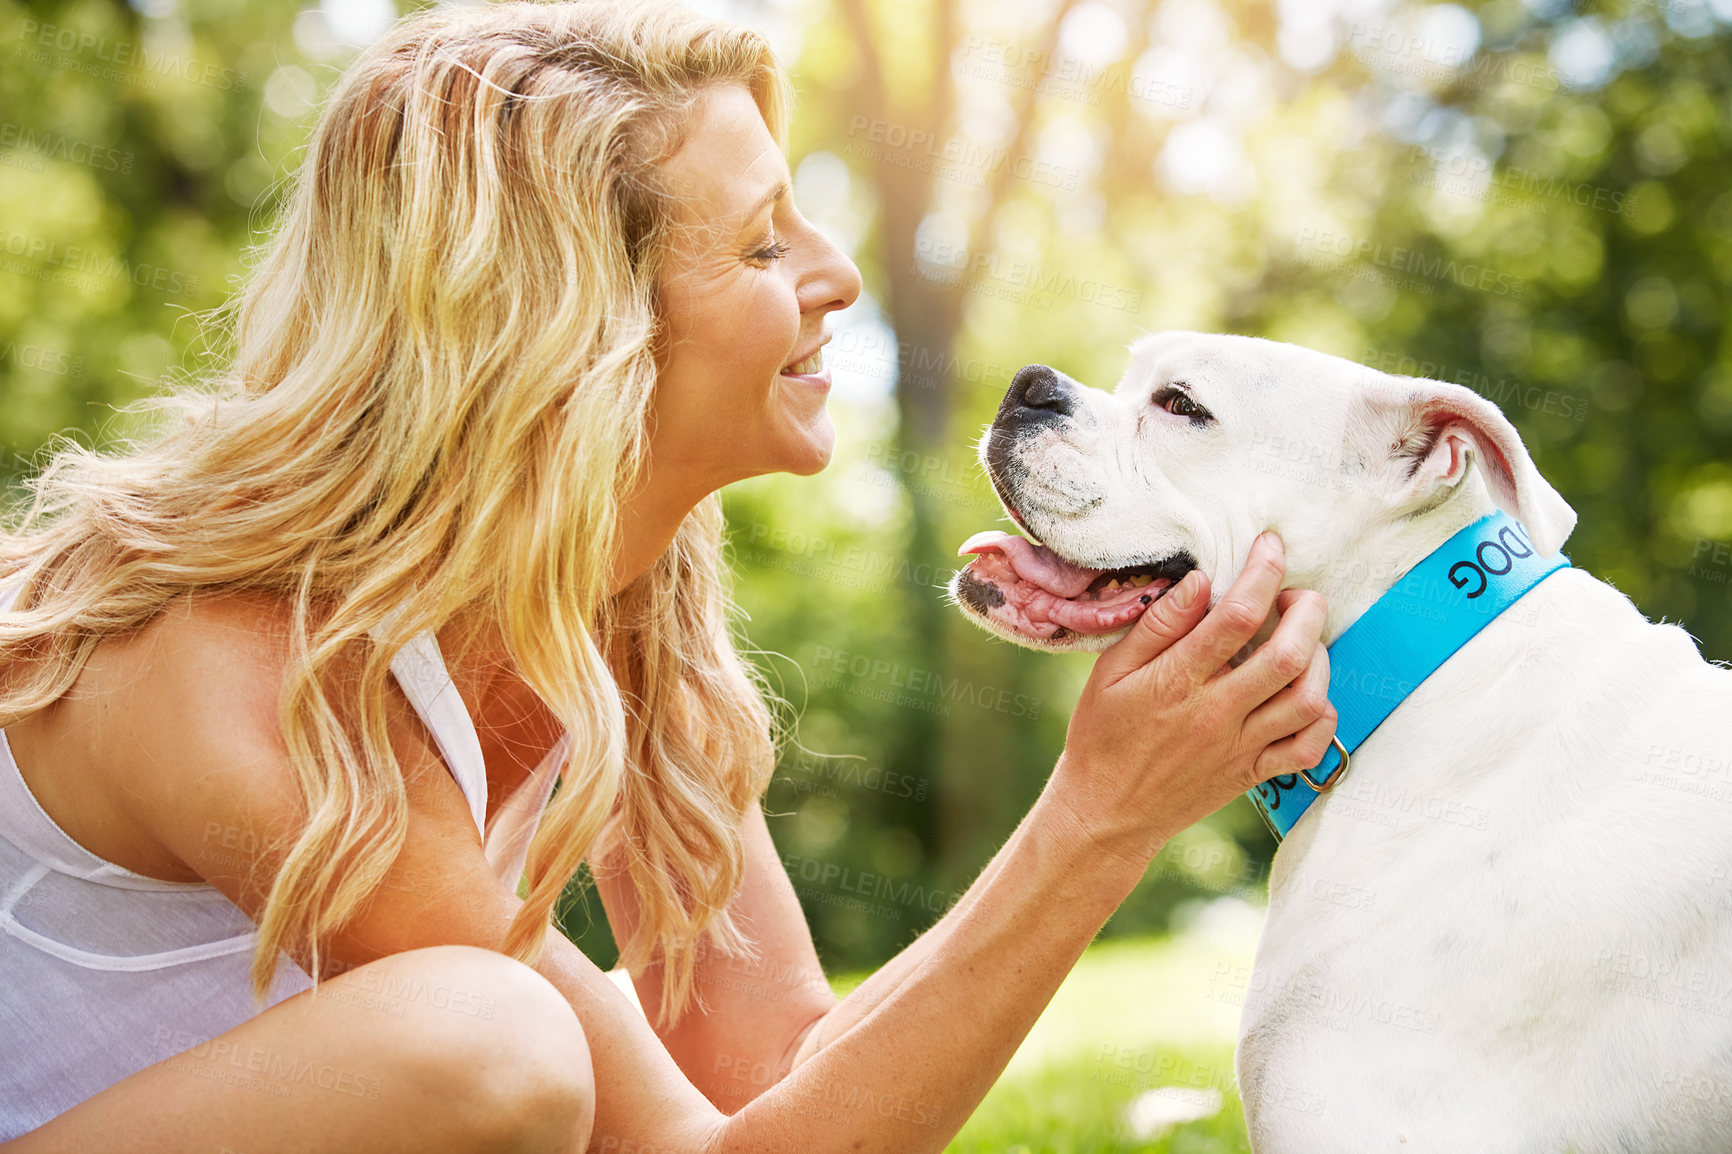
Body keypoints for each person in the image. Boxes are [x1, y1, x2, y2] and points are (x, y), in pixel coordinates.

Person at [0, 2, 1337, 1150]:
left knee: (502, 1034)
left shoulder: (620, 607)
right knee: (489, 1041)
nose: (838, 277)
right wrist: (1098, 816)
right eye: (763, 244)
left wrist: (1106, 805)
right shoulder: (244, 670)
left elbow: (778, 1078)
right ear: (577, 329)